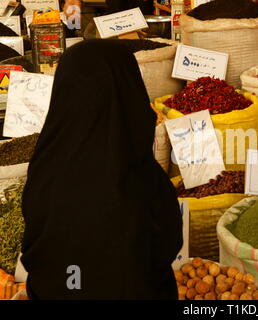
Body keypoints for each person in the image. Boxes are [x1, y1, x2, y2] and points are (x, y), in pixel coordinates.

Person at [20, 39, 183, 300]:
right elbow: (167, 246)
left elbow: (36, 247)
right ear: (129, 90)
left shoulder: (45, 168)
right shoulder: (140, 177)